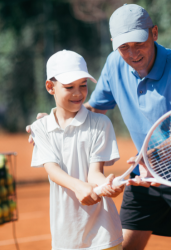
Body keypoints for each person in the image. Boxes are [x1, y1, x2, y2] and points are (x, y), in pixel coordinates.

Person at [27, 4, 171, 250]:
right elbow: (91, 111)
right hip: (145, 172)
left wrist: (149, 158)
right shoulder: (115, 64)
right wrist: (54, 120)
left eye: (139, 43)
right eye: (124, 47)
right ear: (114, 44)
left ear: (154, 33)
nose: (132, 53)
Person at [30, 49, 124, 250]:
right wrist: (79, 187)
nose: (78, 93)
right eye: (69, 87)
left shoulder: (101, 123)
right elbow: (53, 171)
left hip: (104, 235)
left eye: (83, 85)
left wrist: (106, 185)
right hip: (66, 237)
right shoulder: (40, 128)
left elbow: (95, 173)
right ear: (50, 87)